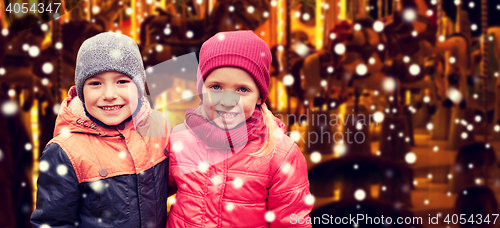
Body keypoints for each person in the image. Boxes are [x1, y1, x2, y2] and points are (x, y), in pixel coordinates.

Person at [167, 30, 312, 227]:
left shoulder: (280, 154)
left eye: (242, 89)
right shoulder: (179, 140)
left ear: (259, 96)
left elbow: (292, 220)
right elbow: (151, 195)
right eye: (216, 87)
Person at [31, 32, 171, 228]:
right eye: (95, 83)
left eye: (122, 81)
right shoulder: (64, 152)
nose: (109, 95)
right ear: (81, 91)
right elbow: (53, 222)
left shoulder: (159, 126)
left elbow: (176, 183)